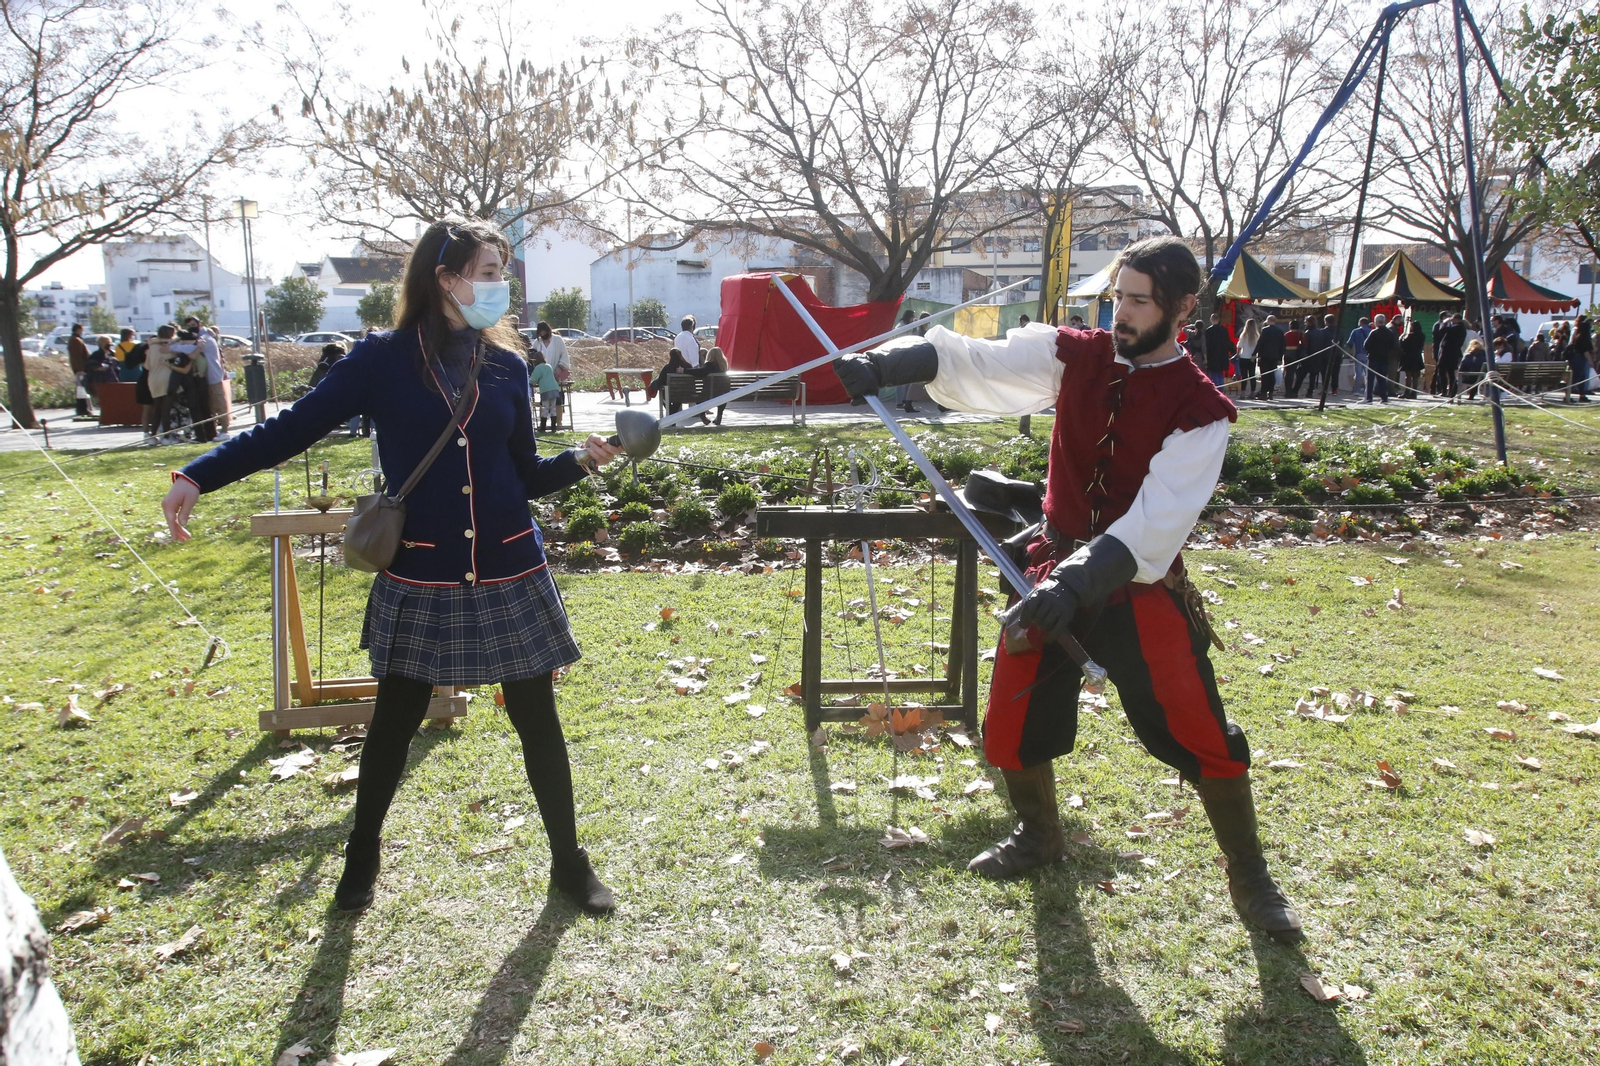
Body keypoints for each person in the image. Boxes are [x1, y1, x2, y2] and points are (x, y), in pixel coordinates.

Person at [833, 235, 1303, 944]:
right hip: (1053, 564)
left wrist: (1079, 582)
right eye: (1119, 296)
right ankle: (1038, 835)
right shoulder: (1077, 353)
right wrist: (892, 362)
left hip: (1135, 584)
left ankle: (1250, 875)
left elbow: (1159, 519)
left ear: (1181, 306)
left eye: (1140, 301)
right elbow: (981, 361)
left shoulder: (1201, 410)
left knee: (1199, 727)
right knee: (1013, 714)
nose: (1123, 312)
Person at [160, 217, 624, 915]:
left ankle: (569, 863)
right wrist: (200, 473)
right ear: (446, 279)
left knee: (539, 721)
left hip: (509, 565)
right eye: (490, 272)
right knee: (395, 722)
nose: (502, 287)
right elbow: (290, 428)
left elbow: (522, 473)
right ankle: (362, 853)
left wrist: (580, 463)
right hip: (422, 568)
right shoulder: (380, 359)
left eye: (502, 272)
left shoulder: (503, 362)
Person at [141, 325, 179, 444]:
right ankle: (166, 436)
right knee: (166, 409)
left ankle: (152, 436)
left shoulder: (152, 347)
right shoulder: (172, 347)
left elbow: (147, 366)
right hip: (167, 378)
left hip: (153, 379)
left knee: (156, 408)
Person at [530, 321, 570, 430]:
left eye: (544, 332)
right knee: (545, 402)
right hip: (543, 378)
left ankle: (558, 423)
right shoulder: (537, 342)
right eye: (541, 332)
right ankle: (543, 425)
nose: (543, 334)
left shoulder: (557, 340)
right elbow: (532, 357)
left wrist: (560, 367)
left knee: (557, 400)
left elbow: (564, 356)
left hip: (555, 375)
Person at [687, 344, 732, 425]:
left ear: (709, 355)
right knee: (723, 397)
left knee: (699, 398)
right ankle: (719, 416)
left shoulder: (709, 365)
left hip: (708, 393)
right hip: (723, 393)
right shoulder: (724, 366)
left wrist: (684, 370)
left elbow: (698, 372)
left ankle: (703, 417)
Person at [647, 347, 694, 413]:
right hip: (685, 394)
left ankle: (672, 414)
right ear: (681, 355)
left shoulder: (667, 368)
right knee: (677, 399)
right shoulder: (688, 366)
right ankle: (673, 415)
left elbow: (660, 381)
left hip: (670, 394)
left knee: (667, 396)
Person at [1363, 313, 1397, 403]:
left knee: (1370, 379)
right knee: (1382, 379)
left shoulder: (1374, 332)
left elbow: (1366, 345)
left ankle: (1369, 398)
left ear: (1376, 322)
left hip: (1373, 358)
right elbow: (1393, 346)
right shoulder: (1390, 333)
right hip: (1384, 358)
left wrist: (1371, 351)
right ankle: (1384, 398)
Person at [528, 347, 563, 431]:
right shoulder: (548, 366)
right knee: (553, 407)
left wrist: (529, 382)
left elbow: (533, 379)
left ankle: (543, 427)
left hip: (546, 390)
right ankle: (553, 427)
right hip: (554, 388)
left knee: (545, 407)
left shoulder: (538, 368)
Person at [1434, 313, 1466, 397]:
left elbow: (1442, 330)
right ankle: (1451, 391)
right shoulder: (1462, 328)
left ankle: (1445, 391)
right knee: (1451, 373)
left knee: (1443, 371)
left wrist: (1445, 322)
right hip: (1454, 353)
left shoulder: (1457, 327)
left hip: (1448, 353)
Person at [1303, 314, 1336, 397]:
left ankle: (1302, 390)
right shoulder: (1320, 332)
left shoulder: (1310, 332)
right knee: (1315, 374)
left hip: (1311, 355)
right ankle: (1313, 390)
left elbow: (1305, 345)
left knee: (1303, 373)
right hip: (1319, 355)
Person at [1254, 315, 1285, 400]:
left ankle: (1263, 393)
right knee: (1272, 375)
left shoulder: (1265, 330)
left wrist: (1254, 353)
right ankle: (1270, 393)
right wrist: (1280, 358)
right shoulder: (1280, 331)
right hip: (1275, 356)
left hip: (1265, 356)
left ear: (1268, 321)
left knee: (1264, 375)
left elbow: (1260, 343)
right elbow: (1282, 345)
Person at [67, 323, 93, 419]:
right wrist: (80, 369)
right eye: (81, 329)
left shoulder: (74, 340)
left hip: (79, 368)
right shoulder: (76, 340)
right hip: (80, 368)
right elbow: (77, 357)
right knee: (81, 389)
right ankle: (82, 408)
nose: (82, 331)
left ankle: (83, 408)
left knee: (81, 389)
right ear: (78, 329)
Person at [1202, 312, 1234, 387]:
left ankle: (1218, 389)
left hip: (1212, 355)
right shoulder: (1224, 330)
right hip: (1222, 355)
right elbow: (1227, 342)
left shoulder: (1209, 331)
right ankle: (1221, 389)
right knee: (1220, 374)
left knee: (1213, 374)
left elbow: (1207, 344)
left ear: (1211, 319)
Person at [1399, 319, 1426, 399]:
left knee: (1408, 376)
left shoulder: (1410, 336)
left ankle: (1407, 392)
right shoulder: (1422, 336)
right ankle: (1414, 393)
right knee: (1415, 376)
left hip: (1409, 357)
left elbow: (1403, 345)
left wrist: (1401, 337)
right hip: (1417, 357)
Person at [1568, 316, 1593, 403]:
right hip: (1580, 358)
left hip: (1575, 357)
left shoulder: (1578, 336)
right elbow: (1585, 351)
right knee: (1577, 377)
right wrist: (1590, 361)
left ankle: (1581, 394)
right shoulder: (1584, 338)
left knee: (1580, 378)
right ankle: (1569, 395)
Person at [1346, 316, 1372, 395]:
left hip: (1358, 354)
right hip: (1368, 355)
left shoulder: (1355, 331)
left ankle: (1357, 390)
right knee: (1368, 374)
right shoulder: (1371, 331)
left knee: (1358, 373)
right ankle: (1367, 391)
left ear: (1360, 323)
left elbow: (1349, 343)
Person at [1235, 318, 1260, 394]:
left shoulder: (1243, 335)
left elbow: (1239, 346)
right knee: (1252, 375)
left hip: (1244, 357)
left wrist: (1238, 354)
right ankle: (1252, 392)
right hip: (1252, 358)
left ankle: (1243, 392)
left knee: (1244, 376)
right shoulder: (1257, 336)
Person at [1281, 318, 1306, 396]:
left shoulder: (1286, 334)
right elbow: (1304, 344)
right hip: (1295, 353)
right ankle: (1291, 391)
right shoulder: (1300, 334)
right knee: (1292, 372)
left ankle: (1287, 390)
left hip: (1287, 353)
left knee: (1287, 372)